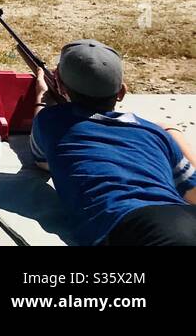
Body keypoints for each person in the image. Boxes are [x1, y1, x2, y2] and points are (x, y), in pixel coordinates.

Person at [31, 38, 196, 246]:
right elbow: (193, 192)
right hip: (183, 215)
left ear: (60, 85)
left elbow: (42, 160)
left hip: (135, 223)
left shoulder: (50, 122)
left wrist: (42, 99)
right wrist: (172, 132)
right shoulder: (155, 132)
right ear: (122, 92)